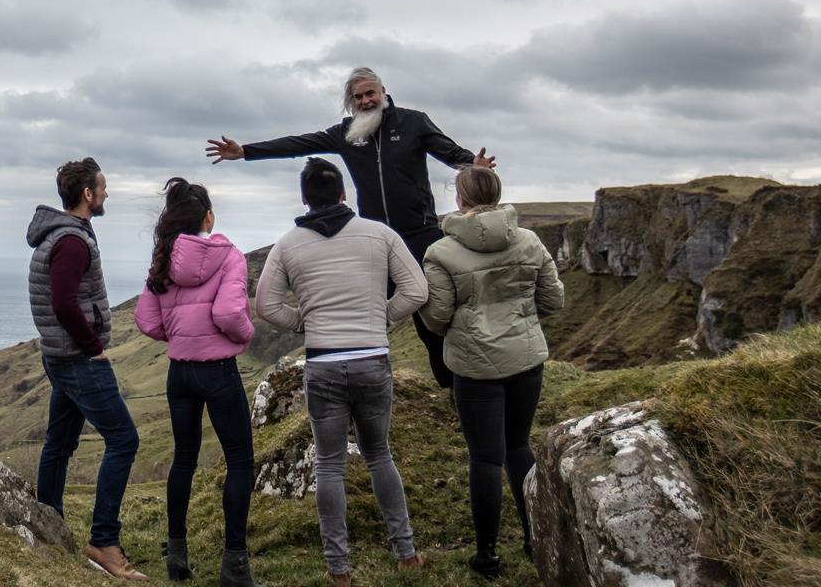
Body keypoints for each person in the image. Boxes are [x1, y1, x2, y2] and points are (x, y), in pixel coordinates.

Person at [207, 66, 493, 389]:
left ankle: (453, 388)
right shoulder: (347, 133)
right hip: (374, 240)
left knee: (433, 321)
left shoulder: (414, 123)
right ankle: (361, 386)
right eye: (357, 97)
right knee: (363, 316)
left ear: (383, 92)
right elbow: (299, 144)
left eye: (370, 93)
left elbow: (449, 152)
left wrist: (473, 164)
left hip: (420, 234)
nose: (365, 101)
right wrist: (245, 152)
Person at [255, 158, 429, 583]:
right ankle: (405, 553)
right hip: (372, 358)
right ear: (343, 193)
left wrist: (303, 322)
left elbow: (265, 305)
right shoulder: (379, 233)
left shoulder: (289, 244)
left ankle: (338, 569)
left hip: (324, 363)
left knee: (329, 466)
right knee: (379, 455)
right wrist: (382, 316)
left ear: (303, 198)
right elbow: (417, 290)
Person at [419, 166, 564, 579]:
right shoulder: (530, 241)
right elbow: (553, 300)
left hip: (474, 366)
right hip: (525, 360)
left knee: (485, 458)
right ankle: (535, 536)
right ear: (497, 196)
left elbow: (438, 316)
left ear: (460, 200)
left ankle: (486, 556)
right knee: (518, 448)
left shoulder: (440, 252)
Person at [132, 178, 262, 587]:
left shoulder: (162, 260)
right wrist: (245, 335)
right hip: (218, 370)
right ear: (208, 216)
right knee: (240, 461)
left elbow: (147, 320)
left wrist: (181, 336)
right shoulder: (229, 256)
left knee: (183, 459)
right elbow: (228, 314)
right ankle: (235, 567)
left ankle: (177, 555)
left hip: (179, 372)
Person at [27, 157, 147, 580]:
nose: (107, 193)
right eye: (103, 187)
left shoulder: (65, 235)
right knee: (124, 440)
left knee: (58, 444)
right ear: (87, 195)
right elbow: (63, 303)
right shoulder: (73, 241)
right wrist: (93, 347)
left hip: (60, 357)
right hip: (78, 360)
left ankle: (48, 525)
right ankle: (104, 541)